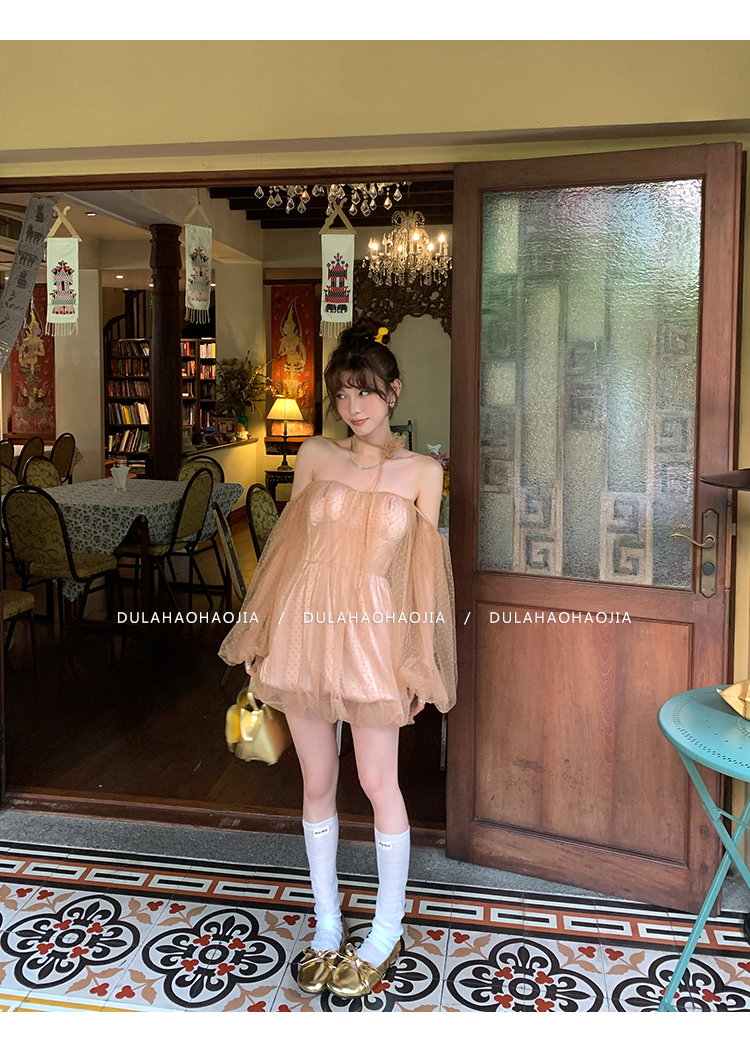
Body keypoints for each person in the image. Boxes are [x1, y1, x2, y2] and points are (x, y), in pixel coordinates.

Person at [219, 318, 457, 999]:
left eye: (366, 391)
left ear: (394, 392)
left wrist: (417, 660)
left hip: (375, 636)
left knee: (379, 781)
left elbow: (420, 578)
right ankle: (327, 924)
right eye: (343, 393)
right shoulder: (316, 456)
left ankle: (386, 928)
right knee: (316, 778)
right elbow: (285, 552)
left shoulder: (422, 473)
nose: (354, 406)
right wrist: (261, 633)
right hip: (305, 627)